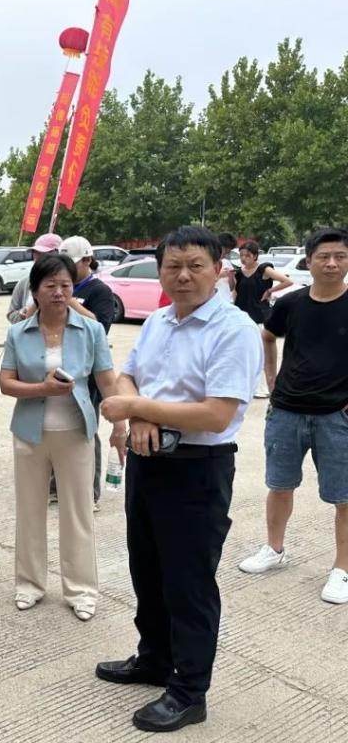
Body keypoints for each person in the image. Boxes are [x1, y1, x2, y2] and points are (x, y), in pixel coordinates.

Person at [96, 226, 262, 733]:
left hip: (197, 469)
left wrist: (140, 408)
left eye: (195, 265)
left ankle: (189, 692)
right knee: (146, 569)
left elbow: (216, 413)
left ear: (218, 269)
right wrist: (139, 413)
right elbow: (127, 376)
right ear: (161, 270)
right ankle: (154, 658)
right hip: (148, 461)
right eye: (173, 266)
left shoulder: (233, 329)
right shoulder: (159, 321)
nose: (183, 275)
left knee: (188, 584)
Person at [0, 253, 123, 621]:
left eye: (65, 285)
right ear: (35, 290)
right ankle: (29, 584)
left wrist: (120, 425)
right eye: (50, 285)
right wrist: (42, 388)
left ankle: (81, 590)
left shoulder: (91, 330)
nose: (58, 292)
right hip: (30, 434)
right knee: (30, 511)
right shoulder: (18, 332)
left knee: (78, 513)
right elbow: (6, 383)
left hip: (76, 433)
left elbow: (107, 381)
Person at [238, 228, 348, 604]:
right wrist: (271, 379)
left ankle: (342, 569)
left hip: (336, 416)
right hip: (286, 410)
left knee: (343, 496)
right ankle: (274, 549)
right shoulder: (291, 303)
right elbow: (268, 336)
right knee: (279, 485)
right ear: (309, 261)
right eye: (324, 256)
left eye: (340, 256)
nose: (332, 263)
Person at [58, 236, 118, 508]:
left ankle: (89, 492)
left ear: (86, 260)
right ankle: (57, 485)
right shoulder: (60, 285)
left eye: (71, 264)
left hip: (88, 372)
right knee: (58, 427)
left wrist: (71, 301)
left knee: (86, 429)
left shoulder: (99, 291)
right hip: (60, 366)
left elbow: (100, 327)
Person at [234, 240, 293, 399]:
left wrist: (270, 291)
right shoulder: (239, 273)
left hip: (260, 316)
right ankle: (246, 386)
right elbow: (236, 293)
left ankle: (263, 388)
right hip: (242, 316)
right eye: (241, 255)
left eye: (247, 255)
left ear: (255, 256)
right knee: (244, 353)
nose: (243, 258)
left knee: (261, 353)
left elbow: (287, 281)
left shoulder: (264, 269)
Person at [7, 233, 63, 324]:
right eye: (36, 253)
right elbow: (11, 315)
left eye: (44, 254)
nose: (38, 258)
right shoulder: (24, 283)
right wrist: (21, 314)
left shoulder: (68, 285)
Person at [215, 232, 237, 302]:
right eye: (225, 251)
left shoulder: (227, 262)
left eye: (228, 252)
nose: (225, 255)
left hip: (226, 300)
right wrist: (220, 275)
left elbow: (231, 288)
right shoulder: (208, 263)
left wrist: (231, 277)